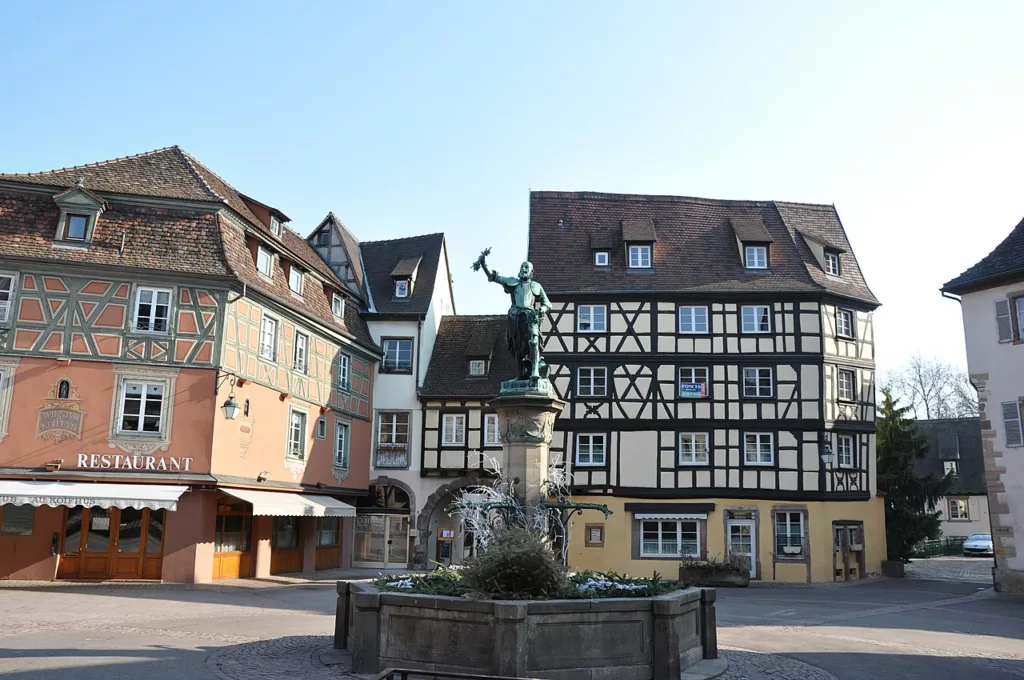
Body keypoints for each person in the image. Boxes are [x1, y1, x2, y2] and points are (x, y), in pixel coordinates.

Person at [476, 256, 551, 381]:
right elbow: (495, 278)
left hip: (530, 316)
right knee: (516, 345)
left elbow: (547, 303)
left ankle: (535, 371)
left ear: (532, 272)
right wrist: (484, 265)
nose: (524, 269)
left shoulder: (536, 286)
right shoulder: (513, 283)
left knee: (534, 341)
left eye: (527, 267)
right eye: (522, 267)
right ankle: (519, 375)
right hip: (515, 317)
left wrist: (541, 310)